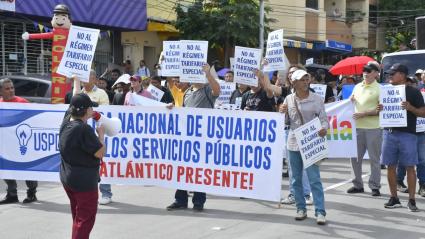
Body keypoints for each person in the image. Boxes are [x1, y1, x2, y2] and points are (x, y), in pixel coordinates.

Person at [166, 63, 220, 212]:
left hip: (201, 137)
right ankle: (180, 200)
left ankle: (198, 201)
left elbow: (217, 90)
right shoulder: (188, 91)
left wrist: (208, 73)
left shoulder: (208, 89)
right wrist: (173, 109)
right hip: (186, 138)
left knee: (199, 169)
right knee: (182, 169)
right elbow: (182, 112)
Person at [281, 69, 328, 225]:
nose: (306, 82)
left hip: (311, 143)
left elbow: (324, 120)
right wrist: (281, 112)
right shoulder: (288, 99)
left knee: (314, 179)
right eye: (302, 79)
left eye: (307, 79)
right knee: (295, 179)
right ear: (294, 82)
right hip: (293, 143)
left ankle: (320, 212)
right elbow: (284, 121)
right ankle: (301, 209)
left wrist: (323, 129)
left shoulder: (317, 99)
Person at [262, 65, 314, 205]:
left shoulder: (310, 92)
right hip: (289, 131)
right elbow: (268, 86)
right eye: (290, 73)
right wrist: (263, 69)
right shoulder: (286, 91)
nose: (291, 75)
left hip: (305, 132)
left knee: (304, 165)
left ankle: (306, 194)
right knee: (292, 166)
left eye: (295, 72)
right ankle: (293, 194)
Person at [378, 63, 425, 212]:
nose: (390, 76)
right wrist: (379, 109)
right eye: (389, 74)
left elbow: (423, 113)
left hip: (408, 135)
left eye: (393, 73)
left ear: (403, 75)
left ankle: (412, 200)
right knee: (390, 166)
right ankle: (394, 198)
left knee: (410, 166)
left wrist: (410, 108)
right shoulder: (386, 91)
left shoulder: (414, 92)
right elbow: (380, 110)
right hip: (389, 133)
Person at [59, 92, 105, 239]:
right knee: (85, 220)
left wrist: (76, 80)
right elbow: (100, 152)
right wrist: (101, 135)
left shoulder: (67, 120)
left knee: (78, 216)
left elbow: (75, 95)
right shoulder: (83, 129)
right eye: (91, 108)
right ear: (86, 110)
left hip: (68, 179)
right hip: (84, 183)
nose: (93, 110)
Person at [73, 70, 111, 205]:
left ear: (94, 79)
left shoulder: (101, 94)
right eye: (82, 76)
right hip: (81, 135)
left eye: (87, 76)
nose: (84, 79)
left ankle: (106, 192)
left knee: (101, 163)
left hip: (96, 133)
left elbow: (105, 114)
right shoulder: (79, 93)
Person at [0, 78, 38, 204]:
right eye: (7, 88)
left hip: (22, 144)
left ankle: (31, 193)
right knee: (5, 168)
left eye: (12, 88)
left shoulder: (23, 103)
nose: (11, 90)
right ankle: (12, 194)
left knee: (27, 168)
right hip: (6, 145)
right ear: (1, 91)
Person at [348, 62, 382, 197]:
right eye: (364, 70)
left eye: (369, 71)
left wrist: (364, 113)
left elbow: (381, 110)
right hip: (357, 128)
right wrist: (350, 100)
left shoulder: (380, 88)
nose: (365, 73)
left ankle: (375, 186)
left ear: (376, 73)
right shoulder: (357, 86)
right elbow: (351, 104)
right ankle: (357, 185)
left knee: (374, 159)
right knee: (354, 158)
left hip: (373, 128)